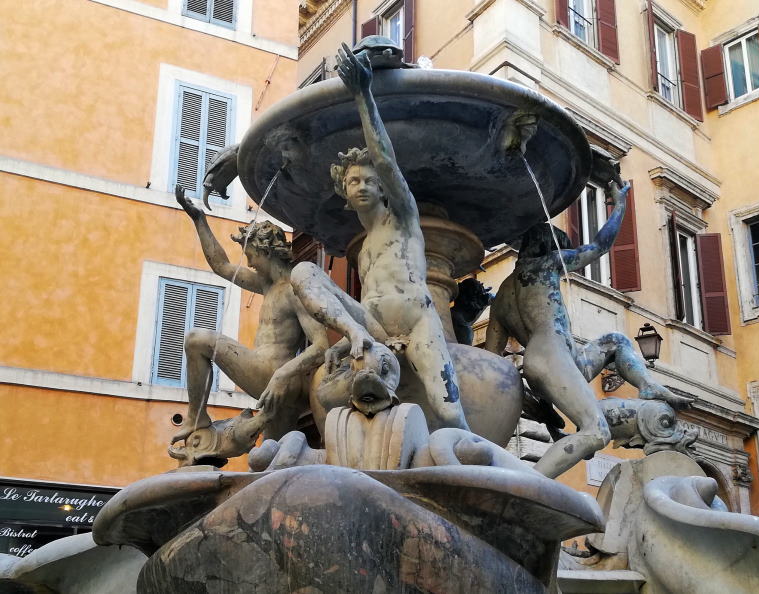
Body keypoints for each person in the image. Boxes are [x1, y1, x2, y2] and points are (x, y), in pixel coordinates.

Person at [289, 44, 470, 431]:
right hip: (370, 325)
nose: (363, 186)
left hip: (417, 318)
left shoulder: (403, 217)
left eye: (371, 180)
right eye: (355, 180)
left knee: (450, 412)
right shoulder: (364, 245)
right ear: (344, 188)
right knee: (304, 271)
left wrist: (363, 95)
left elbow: (385, 158)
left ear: (384, 188)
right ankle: (351, 335)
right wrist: (346, 338)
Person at [485, 181, 691, 478]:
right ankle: (529, 486)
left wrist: (528, 397)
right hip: (552, 358)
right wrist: (619, 205)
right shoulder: (547, 264)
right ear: (548, 245)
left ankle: (645, 384)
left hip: (558, 361)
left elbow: (493, 361)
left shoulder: (502, 295)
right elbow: (600, 246)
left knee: (616, 341)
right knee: (596, 431)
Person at [172, 185, 329, 444]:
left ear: (267, 252)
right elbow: (221, 265)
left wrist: (282, 375)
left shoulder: (293, 289)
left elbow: (322, 345)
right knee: (271, 457)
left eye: (252, 256)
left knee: (197, 339)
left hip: (275, 375)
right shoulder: (267, 285)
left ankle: (197, 417)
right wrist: (199, 220)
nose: (250, 263)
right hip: (275, 382)